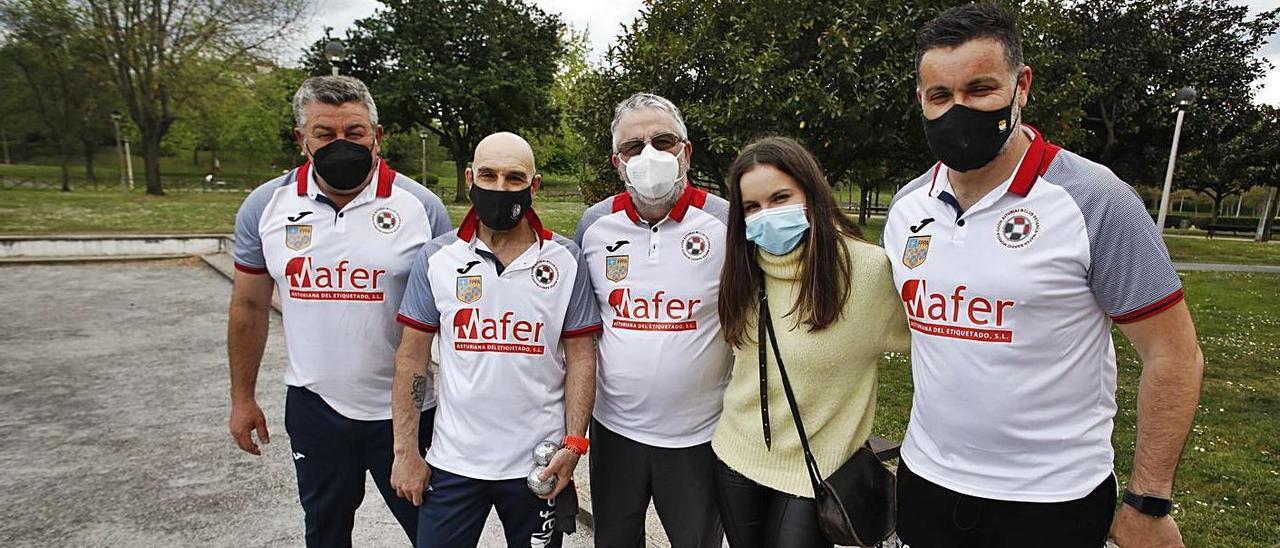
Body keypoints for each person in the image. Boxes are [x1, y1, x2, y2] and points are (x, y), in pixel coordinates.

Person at [883, 5, 1205, 547]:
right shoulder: (906, 207)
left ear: (1021, 86)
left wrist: (1147, 502)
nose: (957, 111)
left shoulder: (1096, 200)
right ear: (921, 99)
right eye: (940, 96)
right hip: (927, 482)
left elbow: (1173, 355)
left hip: (1053, 500)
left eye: (980, 90)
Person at [227, 75, 452, 547]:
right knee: (325, 533)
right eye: (324, 135)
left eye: (354, 133)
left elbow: (450, 317)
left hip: (409, 411)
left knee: (434, 535)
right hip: (316, 407)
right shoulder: (265, 207)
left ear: (377, 135)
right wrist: (242, 398)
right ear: (301, 138)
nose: (340, 144)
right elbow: (248, 305)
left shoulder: (421, 208)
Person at [390, 132, 601, 548]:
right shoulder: (437, 257)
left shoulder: (565, 259)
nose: (500, 188)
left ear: (533, 185)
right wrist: (405, 453)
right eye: (488, 175)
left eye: (513, 177)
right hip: (453, 462)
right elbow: (411, 358)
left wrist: (574, 444)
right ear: (470, 177)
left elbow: (581, 357)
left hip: (537, 465)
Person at [713, 136, 910, 548]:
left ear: (811, 192)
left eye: (780, 197)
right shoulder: (742, 271)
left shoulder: (867, 272)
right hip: (736, 454)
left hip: (816, 469)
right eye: (752, 207)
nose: (766, 215)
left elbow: (938, 340)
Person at [574, 92, 731, 547]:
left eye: (663, 141)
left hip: (698, 437)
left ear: (686, 152)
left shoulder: (725, 221)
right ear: (616, 162)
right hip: (615, 431)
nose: (649, 155)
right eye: (632, 146)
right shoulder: (594, 225)